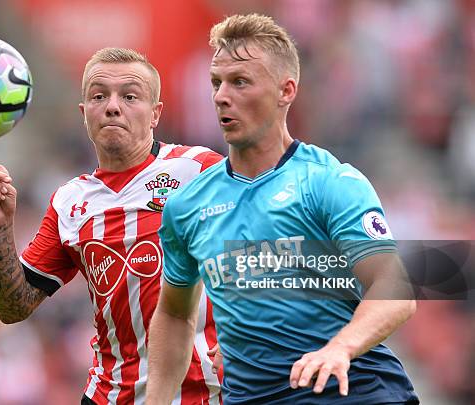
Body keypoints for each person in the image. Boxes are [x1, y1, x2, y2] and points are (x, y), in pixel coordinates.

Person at [146, 14, 420, 404]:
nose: (222, 95)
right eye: (216, 82)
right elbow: (174, 314)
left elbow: (395, 289)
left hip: (352, 393)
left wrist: (338, 349)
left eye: (240, 82)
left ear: (286, 90)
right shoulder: (187, 206)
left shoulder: (329, 183)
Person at [0, 48, 223, 404]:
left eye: (129, 95)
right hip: (111, 395)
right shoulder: (68, 201)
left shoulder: (200, 169)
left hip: (203, 393)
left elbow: (261, 253)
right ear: (84, 114)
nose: (112, 106)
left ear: (156, 114)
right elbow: (14, 308)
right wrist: (0, 230)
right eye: (98, 95)